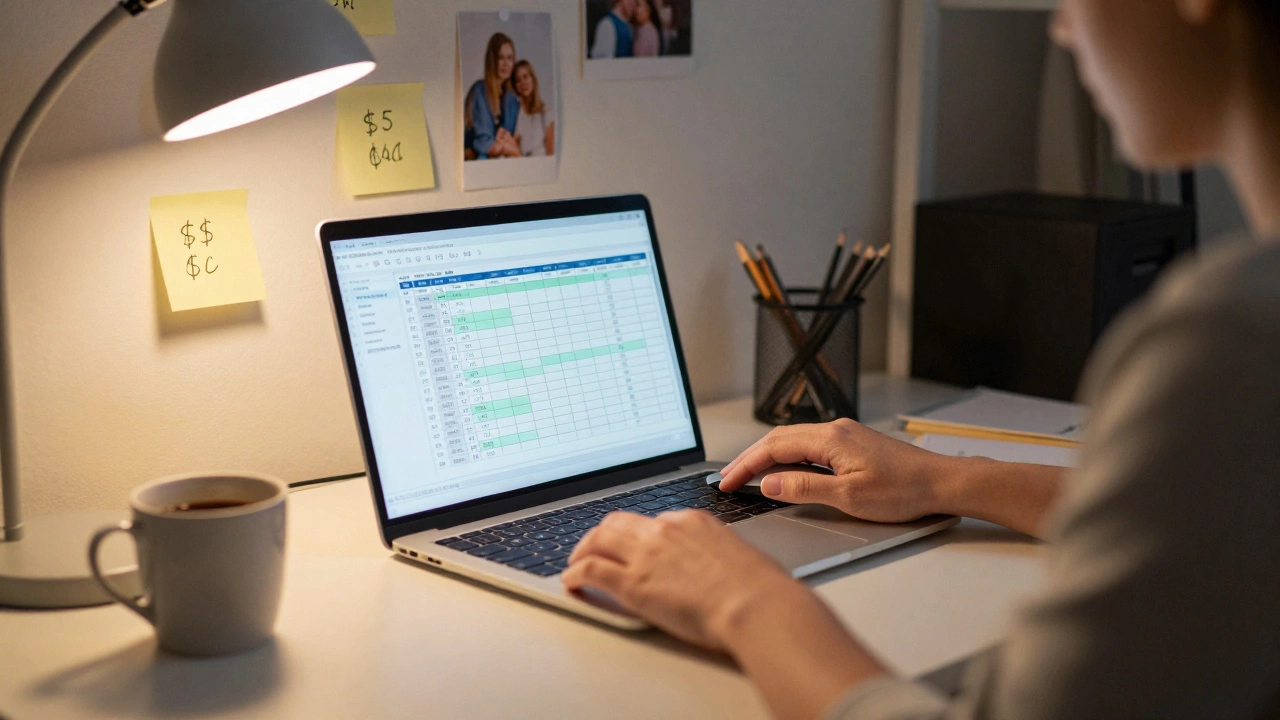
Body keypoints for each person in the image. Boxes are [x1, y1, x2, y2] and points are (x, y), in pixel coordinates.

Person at [563, 1, 1280, 718]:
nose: (1062, 28)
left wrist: (738, 597)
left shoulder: (1231, 341)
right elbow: (1200, 521)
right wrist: (943, 479)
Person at [464, 33, 521, 160]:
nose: (506, 64)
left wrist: (511, 148)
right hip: (478, 162)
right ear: (492, 60)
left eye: (510, 58)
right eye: (501, 58)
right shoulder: (479, 91)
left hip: (503, 162)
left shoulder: (511, 99)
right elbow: (486, 145)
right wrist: (517, 153)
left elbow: (509, 138)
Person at [512, 60, 555, 157]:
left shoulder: (546, 113)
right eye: (518, 80)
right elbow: (515, 142)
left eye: (525, 77)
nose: (523, 83)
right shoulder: (518, 112)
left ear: (532, 79)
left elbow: (550, 153)